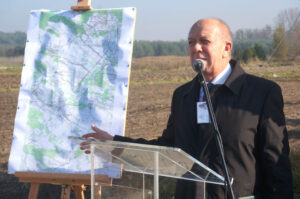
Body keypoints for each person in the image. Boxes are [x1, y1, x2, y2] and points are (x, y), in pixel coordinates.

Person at [82, 18, 293, 198]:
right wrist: (116, 144)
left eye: (204, 41)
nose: (196, 48)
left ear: (226, 48)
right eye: (191, 43)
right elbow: (168, 148)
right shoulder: (183, 95)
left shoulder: (261, 93)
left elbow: (276, 164)